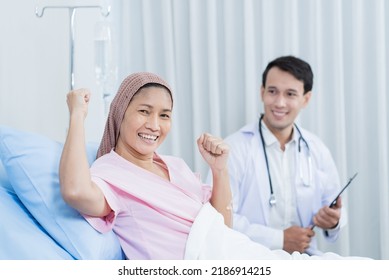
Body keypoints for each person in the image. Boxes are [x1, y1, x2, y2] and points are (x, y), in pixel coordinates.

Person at [59, 71, 363, 260]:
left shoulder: (174, 165)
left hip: (238, 254)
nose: (154, 124)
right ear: (120, 114)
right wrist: (77, 116)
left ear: (305, 99)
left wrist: (220, 169)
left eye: (164, 115)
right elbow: (74, 190)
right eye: (143, 111)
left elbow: (221, 225)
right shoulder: (110, 172)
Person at [213, 55, 346, 255]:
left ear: (305, 99)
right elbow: (219, 219)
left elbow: (338, 211)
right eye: (272, 91)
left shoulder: (317, 149)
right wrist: (279, 239)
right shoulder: (235, 148)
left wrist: (334, 221)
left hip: (304, 259)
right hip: (251, 259)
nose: (280, 103)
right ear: (262, 92)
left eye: (290, 94)